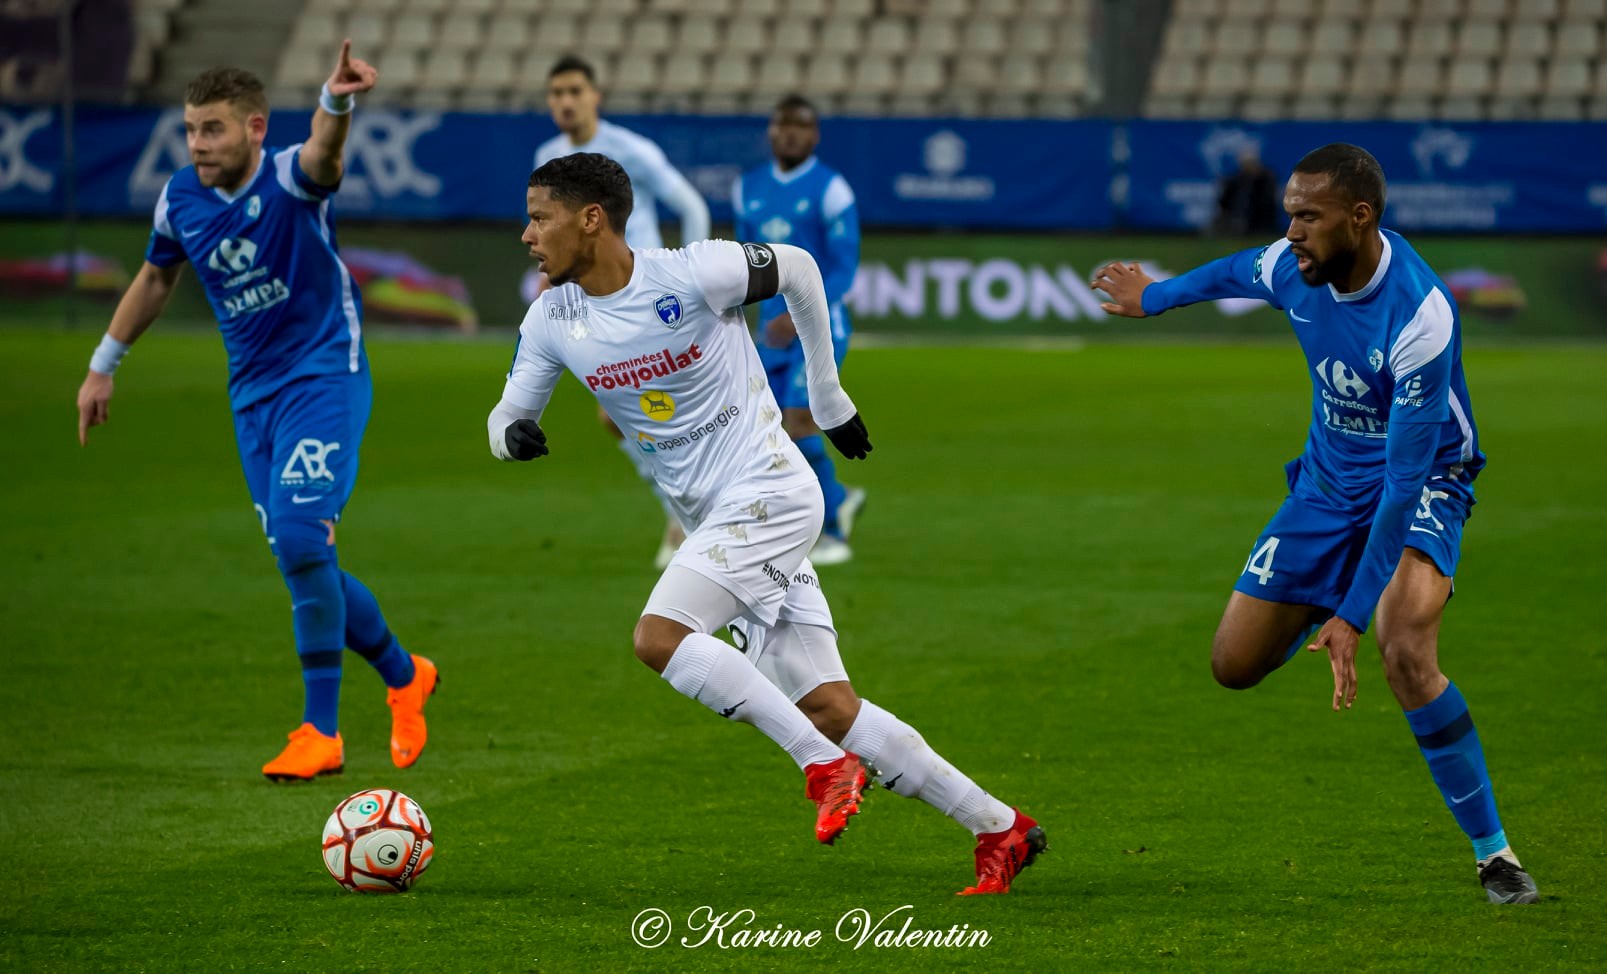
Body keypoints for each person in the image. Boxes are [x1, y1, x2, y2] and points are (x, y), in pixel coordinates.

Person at [487, 153, 1045, 894]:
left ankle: (820, 766)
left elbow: (802, 268)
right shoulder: (553, 316)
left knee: (660, 636)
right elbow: (506, 413)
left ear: (591, 219)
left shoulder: (690, 274)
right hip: (718, 520)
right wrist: (512, 436)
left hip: (772, 492)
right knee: (828, 705)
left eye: (539, 217)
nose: (527, 235)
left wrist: (829, 397)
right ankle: (998, 828)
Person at [1091, 143, 1538, 905]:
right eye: (1287, 214)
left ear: (1359, 218)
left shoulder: (1419, 316)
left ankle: (1494, 856)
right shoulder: (1291, 267)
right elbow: (1234, 271)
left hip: (1424, 480)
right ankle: (1319, 603)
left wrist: (1351, 617)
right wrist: (1156, 296)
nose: (1290, 232)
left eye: (1307, 217)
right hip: (1327, 486)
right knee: (1232, 665)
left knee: (1404, 650)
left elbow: (1400, 483)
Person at [73, 49, 438, 782]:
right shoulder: (179, 198)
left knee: (303, 538)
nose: (198, 144)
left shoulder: (290, 179)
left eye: (212, 130)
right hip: (253, 398)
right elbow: (154, 277)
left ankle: (320, 731)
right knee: (301, 557)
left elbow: (325, 154)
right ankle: (405, 675)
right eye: (190, 131)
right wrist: (101, 365)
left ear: (254, 127)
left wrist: (336, 102)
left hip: (324, 375)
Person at [530, 54, 712, 569]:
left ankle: (692, 517)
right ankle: (688, 514)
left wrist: (690, 277)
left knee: (636, 411)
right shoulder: (548, 156)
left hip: (647, 297)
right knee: (624, 417)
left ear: (595, 96)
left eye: (574, 91)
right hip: (591, 304)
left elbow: (693, 206)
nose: (565, 101)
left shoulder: (632, 150)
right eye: (556, 93)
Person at [732, 95, 864, 566]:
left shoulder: (832, 189)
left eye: (800, 127)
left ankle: (832, 529)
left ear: (815, 136)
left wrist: (803, 311)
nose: (789, 134)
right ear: (770, 132)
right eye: (781, 125)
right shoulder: (748, 188)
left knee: (800, 419)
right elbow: (744, 263)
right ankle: (836, 498)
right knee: (763, 428)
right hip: (771, 332)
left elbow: (846, 267)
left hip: (821, 329)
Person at [1213, 149, 1282, 237]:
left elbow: (1268, 201)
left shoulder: (1267, 178)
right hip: (1239, 216)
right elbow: (1225, 200)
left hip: (1262, 217)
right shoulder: (1236, 179)